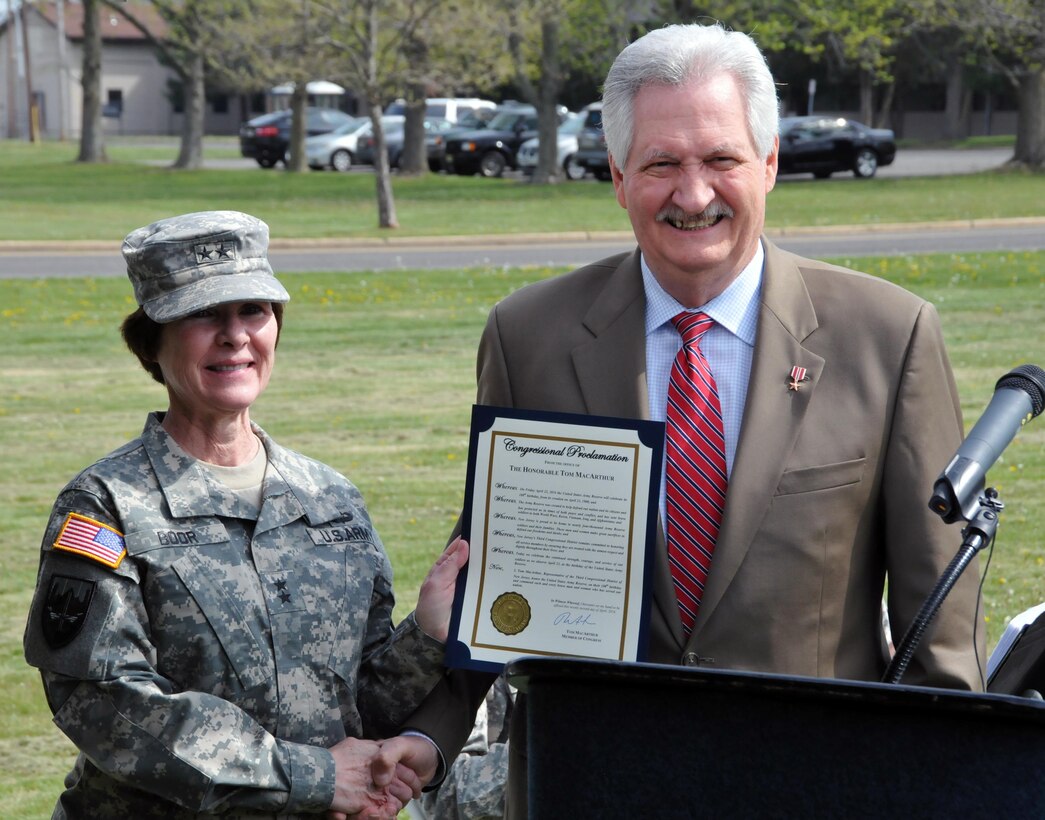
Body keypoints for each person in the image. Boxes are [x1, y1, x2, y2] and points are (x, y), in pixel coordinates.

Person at [466, 23, 986, 816]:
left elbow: (937, 631)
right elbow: (493, 567)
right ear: (615, 174)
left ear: (769, 163)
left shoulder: (888, 336)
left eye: (720, 160)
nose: (693, 194)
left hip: (815, 791)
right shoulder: (528, 336)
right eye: (661, 163)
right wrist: (426, 733)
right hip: (591, 786)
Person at [23, 210, 477, 819]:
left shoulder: (329, 500)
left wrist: (424, 636)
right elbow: (106, 705)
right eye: (204, 314)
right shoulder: (107, 504)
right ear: (151, 342)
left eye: (253, 311)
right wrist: (312, 776)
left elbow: (353, 706)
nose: (235, 335)